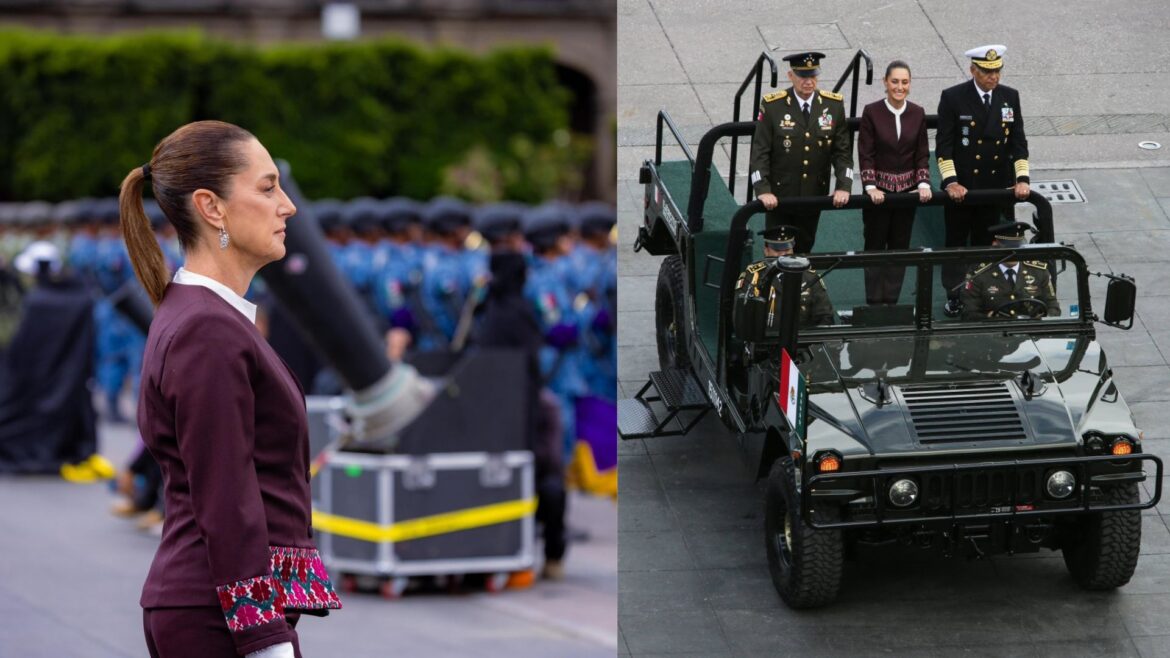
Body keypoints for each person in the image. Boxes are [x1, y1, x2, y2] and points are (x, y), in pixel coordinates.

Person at [119, 120, 353, 658]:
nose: (288, 206)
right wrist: (263, 637)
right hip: (218, 619)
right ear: (212, 207)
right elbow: (226, 495)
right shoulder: (206, 328)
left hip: (214, 609)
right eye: (268, 187)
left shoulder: (206, 316)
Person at [937, 44, 1030, 317]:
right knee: (956, 246)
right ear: (973, 70)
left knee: (990, 244)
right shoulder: (954, 98)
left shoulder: (1009, 97)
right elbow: (944, 146)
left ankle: (987, 295)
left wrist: (1022, 178)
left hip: (995, 189)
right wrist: (951, 182)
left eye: (997, 71)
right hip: (963, 191)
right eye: (987, 72)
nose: (994, 77)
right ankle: (954, 295)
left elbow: (1018, 143)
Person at [749, 51, 853, 254]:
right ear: (791, 76)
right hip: (780, 196)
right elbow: (760, 153)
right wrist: (763, 190)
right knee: (777, 251)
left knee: (804, 250)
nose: (808, 82)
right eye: (803, 76)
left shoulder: (833, 105)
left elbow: (842, 153)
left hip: (813, 194)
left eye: (813, 76)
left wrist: (844, 185)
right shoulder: (773, 106)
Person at [858, 60, 932, 305]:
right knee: (875, 247)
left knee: (899, 249)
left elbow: (922, 152)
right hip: (879, 194)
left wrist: (922, 183)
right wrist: (871, 186)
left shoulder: (917, 112)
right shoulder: (872, 111)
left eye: (904, 82)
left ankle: (891, 302)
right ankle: (872, 302)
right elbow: (866, 153)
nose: (899, 87)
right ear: (885, 83)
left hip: (907, 194)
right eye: (895, 82)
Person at [735, 226, 835, 331]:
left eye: (787, 249)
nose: (783, 254)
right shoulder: (752, 276)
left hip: (801, 342)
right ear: (766, 251)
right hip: (765, 343)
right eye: (777, 250)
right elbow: (741, 318)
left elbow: (825, 317)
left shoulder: (809, 276)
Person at [959, 222, 1058, 321]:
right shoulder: (979, 273)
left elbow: (1053, 307)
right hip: (995, 331)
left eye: (1018, 248)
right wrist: (988, 319)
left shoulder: (1038, 271)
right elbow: (969, 313)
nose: (1014, 253)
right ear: (995, 245)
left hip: (1031, 329)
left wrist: (1042, 319)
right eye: (1008, 248)